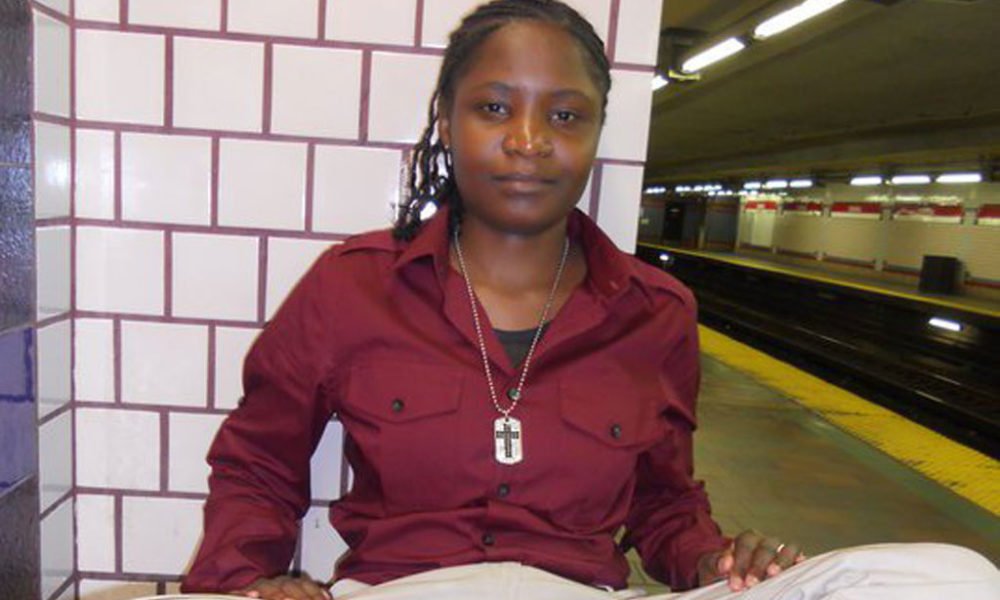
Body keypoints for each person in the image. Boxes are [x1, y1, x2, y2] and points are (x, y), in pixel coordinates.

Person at [181, 1, 999, 599]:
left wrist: (715, 563)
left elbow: (663, 502)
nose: (529, 140)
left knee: (959, 577)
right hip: (403, 589)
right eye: (494, 107)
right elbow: (257, 465)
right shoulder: (352, 286)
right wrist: (251, 579)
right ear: (448, 122)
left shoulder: (656, 312)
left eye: (565, 115)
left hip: (583, 592)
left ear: (596, 134)